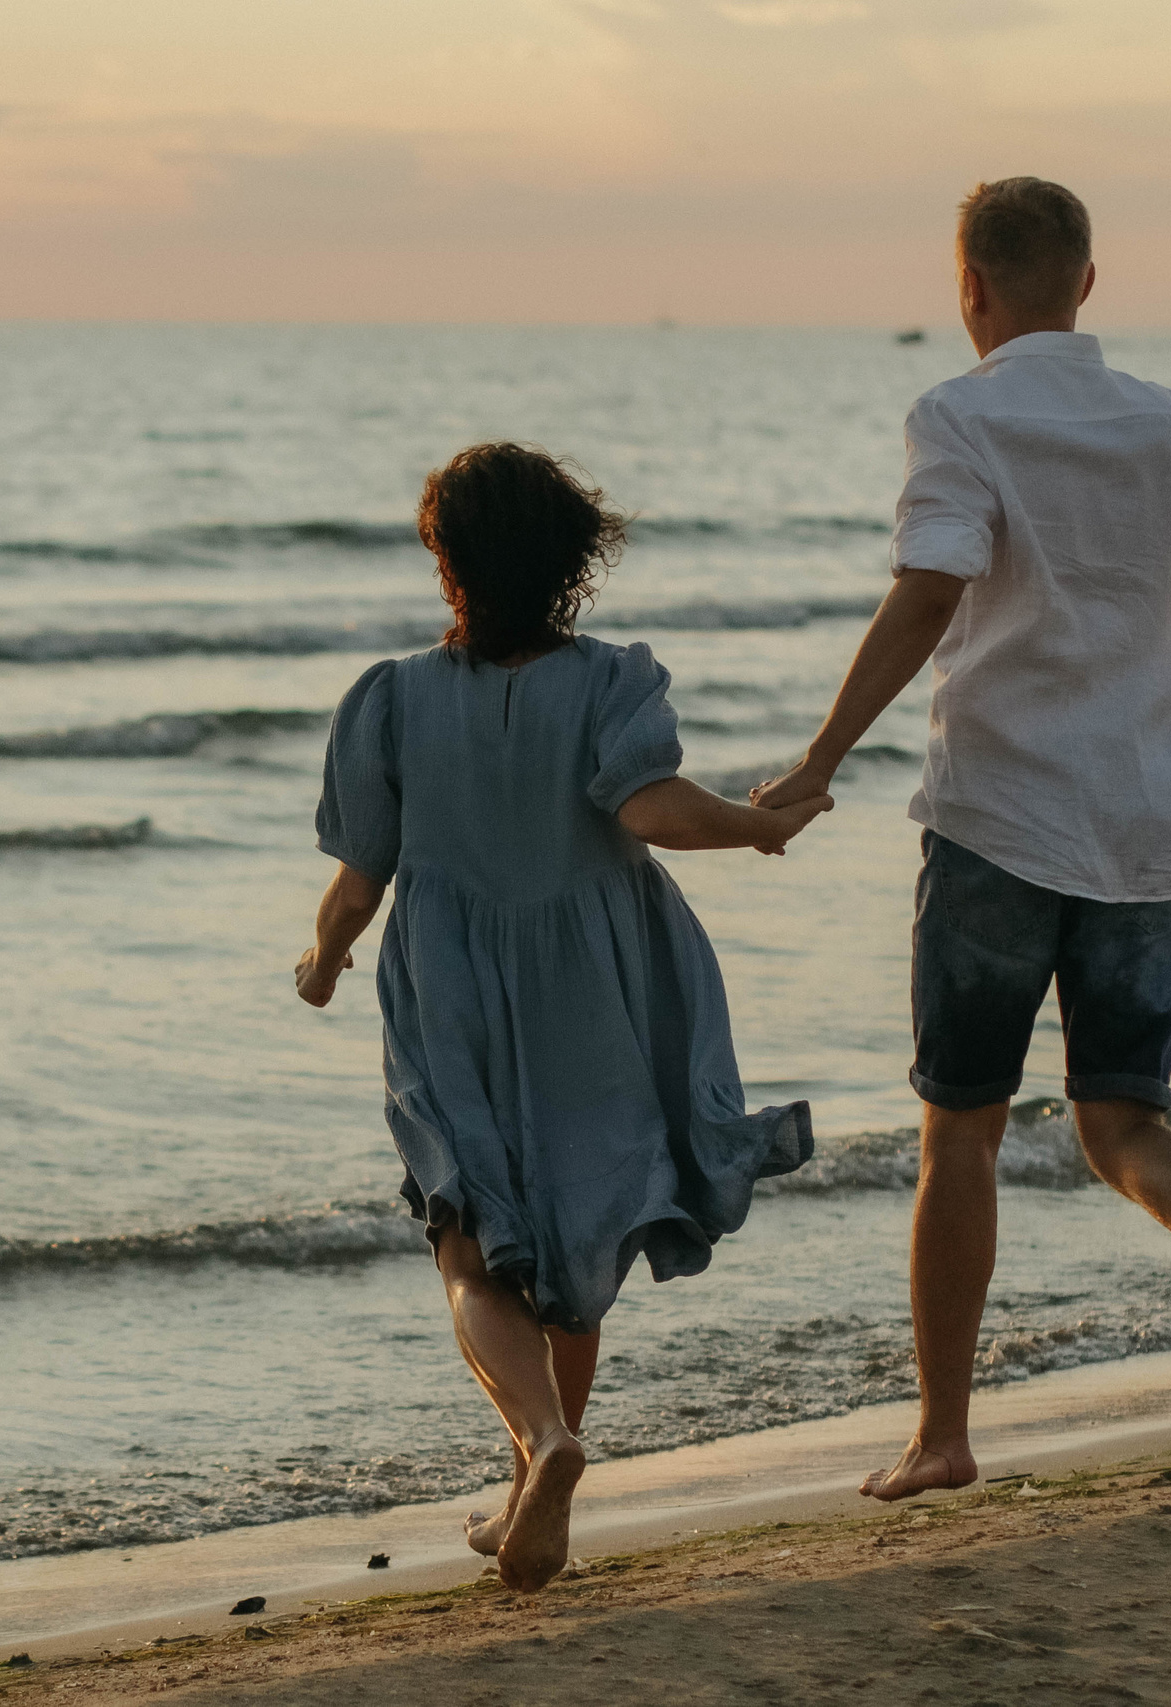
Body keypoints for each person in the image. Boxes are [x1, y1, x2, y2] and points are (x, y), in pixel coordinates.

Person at [751, 177, 1171, 1502]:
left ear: (970, 290)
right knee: (1124, 1122)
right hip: (1158, 829)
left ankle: (943, 1433)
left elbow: (931, 589)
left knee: (964, 1135)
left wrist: (819, 758)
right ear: (1090, 283)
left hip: (1003, 822)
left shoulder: (960, 412)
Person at [297, 442, 829, 1591]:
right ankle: (543, 1482)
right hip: (597, 982)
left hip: (451, 993)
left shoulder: (391, 700)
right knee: (578, 1241)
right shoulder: (608, 682)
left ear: (447, 561)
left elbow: (361, 876)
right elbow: (651, 812)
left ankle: (542, 1449)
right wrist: (757, 825)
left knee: (469, 1242)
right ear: (571, 558)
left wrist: (325, 956)